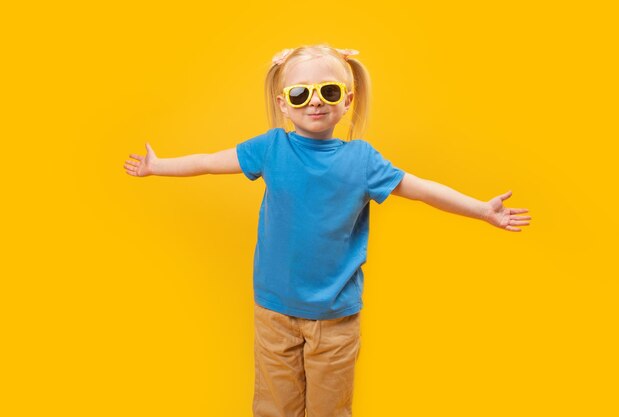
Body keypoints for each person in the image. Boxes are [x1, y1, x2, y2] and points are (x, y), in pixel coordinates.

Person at [123, 44, 531, 417]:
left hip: (335, 317)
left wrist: (481, 210)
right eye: (301, 93)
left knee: (330, 411)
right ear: (283, 104)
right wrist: (158, 166)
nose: (315, 101)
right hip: (274, 310)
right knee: (274, 408)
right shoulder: (271, 147)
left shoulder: (363, 160)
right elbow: (210, 161)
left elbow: (422, 190)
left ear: (348, 100)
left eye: (329, 91)